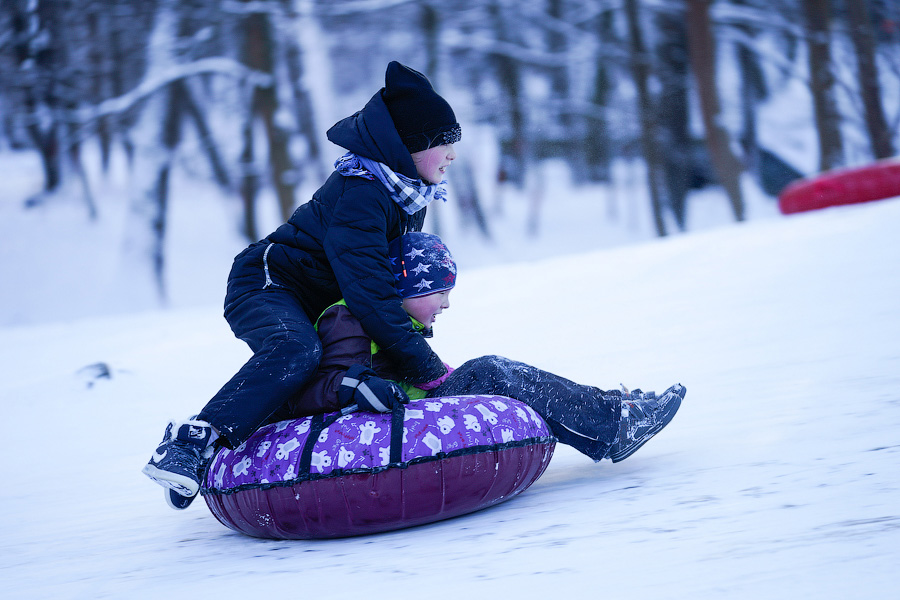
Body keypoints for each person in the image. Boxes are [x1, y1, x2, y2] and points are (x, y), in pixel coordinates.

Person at [143, 61, 461, 510]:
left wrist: (408, 356)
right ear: (408, 146)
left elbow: (390, 290)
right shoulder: (363, 194)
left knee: (325, 367)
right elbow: (371, 294)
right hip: (269, 282)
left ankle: (219, 457)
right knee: (298, 350)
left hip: (315, 297)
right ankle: (192, 440)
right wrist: (427, 370)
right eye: (443, 142)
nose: (452, 154)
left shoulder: (404, 194)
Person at [287, 231, 686, 466]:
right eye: (439, 292)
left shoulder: (391, 324)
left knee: (494, 373)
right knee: (490, 371)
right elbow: (335, 380)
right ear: (408, 289)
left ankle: (614, 413)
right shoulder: (348, 318)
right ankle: (615, 424)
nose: (446, 304)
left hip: (408, 416)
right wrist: (357, 387)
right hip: (387, 429)